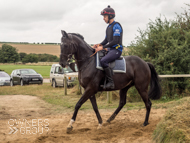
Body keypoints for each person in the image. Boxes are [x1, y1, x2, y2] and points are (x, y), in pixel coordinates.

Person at [93, 5, 123, 89]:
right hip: (110, 49)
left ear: (110, 16)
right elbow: (106, 40)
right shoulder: (108, 27)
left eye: (105, 16)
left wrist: (102, 47)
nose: (103, 18)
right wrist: (99, 44)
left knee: (103, 61)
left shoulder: (116, 26)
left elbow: (115, 41)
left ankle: (111, 82)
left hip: (117, 50)